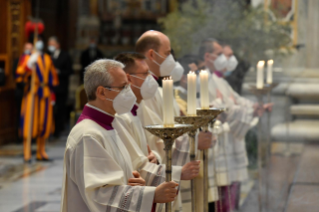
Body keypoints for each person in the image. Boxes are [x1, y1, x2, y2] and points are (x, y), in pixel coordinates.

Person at [60, 59, 178, 212]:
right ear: (102, 92)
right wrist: (151, 195)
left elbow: (115, 181)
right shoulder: (88, 135)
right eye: (123, 87)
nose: (129, 92)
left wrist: (136, 185)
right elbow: (100, 195)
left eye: (128, 86)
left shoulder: (108, 126)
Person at [135, 31, 214, 212]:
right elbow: (155, 137)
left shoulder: (160, 90)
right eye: (167, 52)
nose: (171, 58)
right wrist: (193, 144)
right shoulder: (142, 93)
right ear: (152, 55)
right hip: (153, 180)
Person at [198, 38, 272, 212]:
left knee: (230, 196)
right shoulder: (203, 80)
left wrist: (255, 107)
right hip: (217, 146)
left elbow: (236, 102)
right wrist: (249, 111)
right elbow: (222, 110)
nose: (226, 59)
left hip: (229, 146)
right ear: (208, 56)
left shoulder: (221, 81)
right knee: (220, 199)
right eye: (221, 55)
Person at [16, 37, 59, 162]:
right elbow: (19, 74)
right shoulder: (28, 58)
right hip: (32, 93)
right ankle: (27, 152)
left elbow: (53, 77)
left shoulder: (47, 58)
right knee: (30, 122)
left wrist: (52, 93)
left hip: (45, 93)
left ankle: (41, 152)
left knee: (43, 123)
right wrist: (28, 66)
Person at [47, 36, 73, 137]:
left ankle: (58, 130)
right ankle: (50, 130)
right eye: (49, 44)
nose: (50, 46)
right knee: (50, 109)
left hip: (61, 87)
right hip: (49, 88)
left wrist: (59, 72)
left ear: (57, 45)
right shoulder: (47, 55)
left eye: (52, 44)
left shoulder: (65, 55)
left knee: (60, 109)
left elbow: (69, 71)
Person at [14, 42, 33, 142]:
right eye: (26, 48)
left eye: (30, 49)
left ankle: (32, 136)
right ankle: (19, 136)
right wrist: (24, 85)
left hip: (32, 92)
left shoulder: (34, 62)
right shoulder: (18, 60)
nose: (28, 51)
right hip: (21, 92)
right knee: (20, 114)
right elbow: (15, 75)